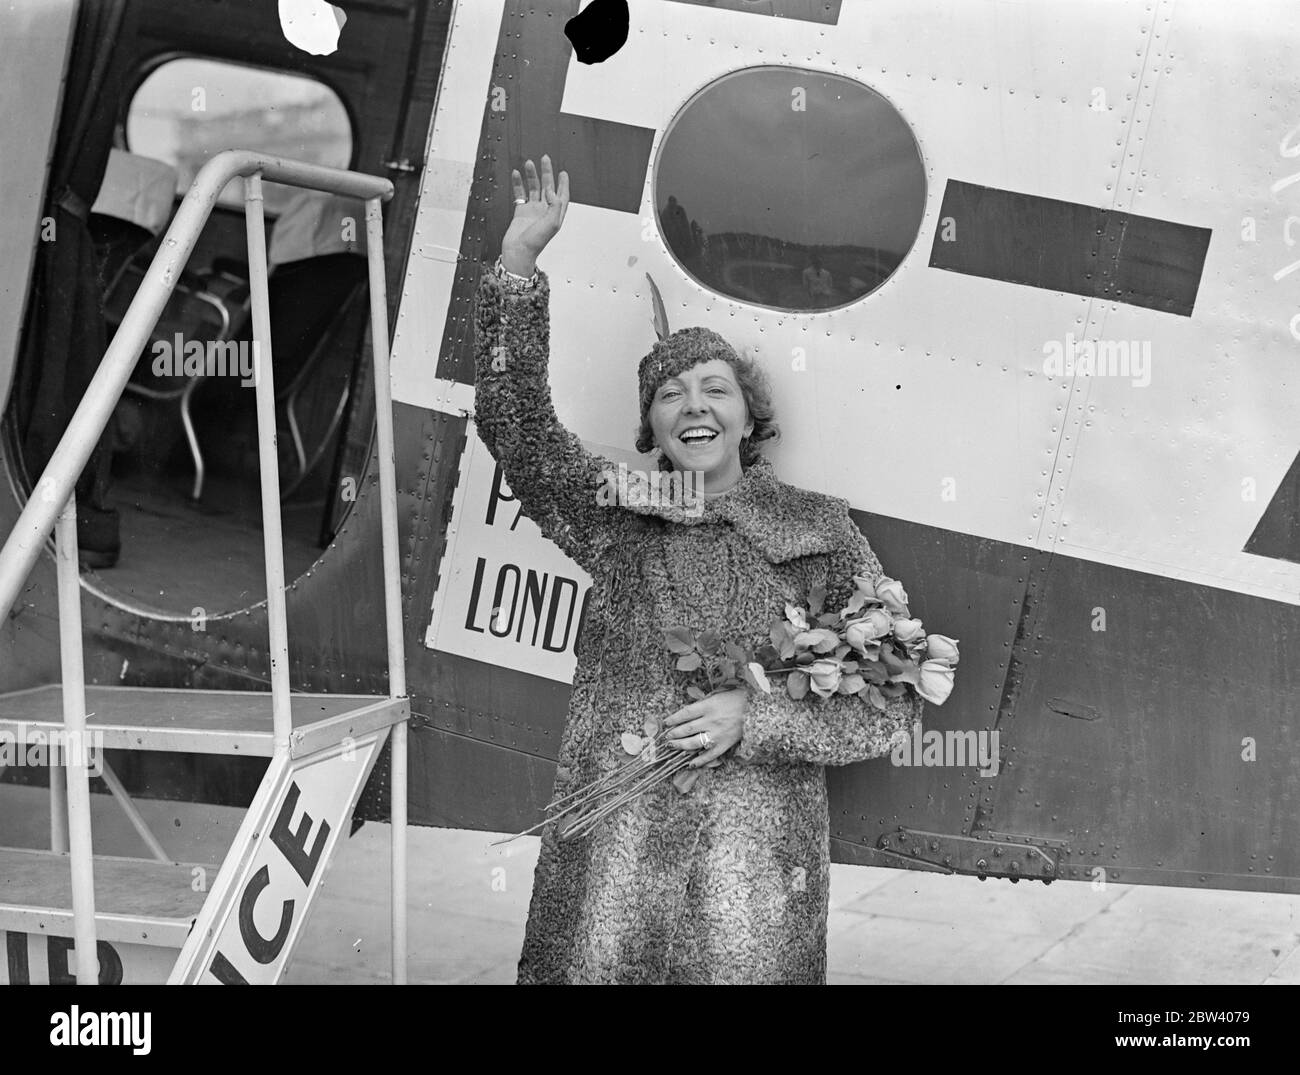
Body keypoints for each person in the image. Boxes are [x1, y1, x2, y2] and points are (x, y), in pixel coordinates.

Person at [473, 154, 924, 984]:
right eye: (669, 394)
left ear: (749, 415)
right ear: (651, 429)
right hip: (615, 870)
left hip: (748, 888)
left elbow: (892, 696)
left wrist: (757, 716)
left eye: (715, 388)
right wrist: (518, 270)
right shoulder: (618, 517)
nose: (694, 405)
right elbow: (517, 428)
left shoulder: (817, 529)